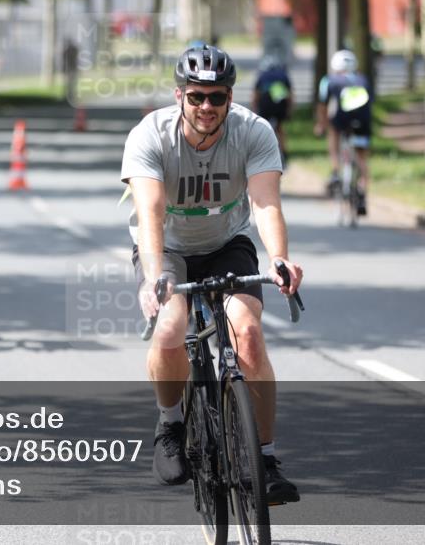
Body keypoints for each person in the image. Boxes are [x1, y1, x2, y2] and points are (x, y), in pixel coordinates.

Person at [121, 44, 303, 504]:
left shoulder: (254, 131)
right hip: (167, 247)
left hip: (226, 242)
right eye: (197, 96)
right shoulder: (151, 135)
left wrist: (279, 257)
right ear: (179, 95)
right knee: (170, 328)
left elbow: (265, 204)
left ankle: (264, 458)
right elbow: (151, 211)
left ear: (230, 97)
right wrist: (152, 276)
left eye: (217, 97)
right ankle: (170, 423)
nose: (206, 107)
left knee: (249, 333)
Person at [314, 49, 373, 215]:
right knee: (362, 157)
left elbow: (323, 105)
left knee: (333, 132)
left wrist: (321, 124)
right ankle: (362, 193)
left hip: (342, 119)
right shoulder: (363, 79)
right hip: (362, 121)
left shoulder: (330, 80)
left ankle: (335, 171)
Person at [251, 53, 293, 167]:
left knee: (262, 129)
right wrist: (289, 110)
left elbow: (256, 95)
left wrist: (254, 109)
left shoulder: (262, 76)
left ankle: (261, 153)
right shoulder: (284, 75)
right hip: (280, 106)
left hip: (265, 107)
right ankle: (285, 153)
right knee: (280, 129)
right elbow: (290, 96)